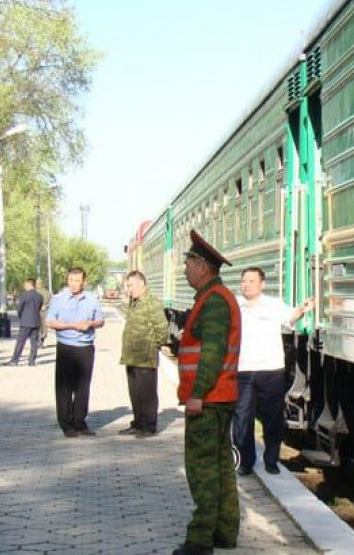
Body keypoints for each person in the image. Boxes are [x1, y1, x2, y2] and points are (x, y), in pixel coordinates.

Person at [173, 230, 241, 555]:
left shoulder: (214, 302)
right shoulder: (215, 298)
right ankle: (225, 532)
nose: (185, 269)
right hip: (221, 397)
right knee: (221, 466)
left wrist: (197, 394)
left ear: (202, 266)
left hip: (210, 398)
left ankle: (200, 540)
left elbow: (212, 352)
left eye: (188, 263)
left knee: (202, 469)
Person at [232, 268, 312, 476]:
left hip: (271, 370)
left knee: (272, 418)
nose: (246, 285)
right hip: (243, 370)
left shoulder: (274, 305)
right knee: (242, 418)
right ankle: (245, 461)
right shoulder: (235, 306)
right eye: (244, 281)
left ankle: (271, 460)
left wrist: (302, 310)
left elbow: (290, 318)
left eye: (251, 281)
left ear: (262, 284)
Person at [46, 267, 104, 438]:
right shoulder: (59, 299)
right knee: (64, 387)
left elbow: (101, 321)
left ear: (83, 282)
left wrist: (91, 323)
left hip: (86, 347)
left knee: (83, 386)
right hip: (66, 346)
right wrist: (71, 326)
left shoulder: (92, 299)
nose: (74, 284)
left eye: (77, 281)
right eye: (71, 280)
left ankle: (80, 421)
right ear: (67, 280)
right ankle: (66, 423)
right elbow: (50, 321)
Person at [119, 271, 169, 437]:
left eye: (131, 285)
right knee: (135, 392)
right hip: (131, 357)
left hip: (146, 357)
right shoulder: (135, 302)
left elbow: (162, 328)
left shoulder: (151, 302)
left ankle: (149, 426)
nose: (129, 289)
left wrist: (154, 346)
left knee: (147, 394)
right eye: (127, 286)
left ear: (142, 284)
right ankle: (138, 423)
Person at [7, 279, 44, 366]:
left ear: (28, 284)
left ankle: (14, 360)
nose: (24, 287)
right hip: (36, 321)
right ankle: (31, 361)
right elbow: (39, 308)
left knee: (20, 342)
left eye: (25, 285)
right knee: (34, 342)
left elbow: (20, 308)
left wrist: (21, 316)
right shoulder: (39, 296)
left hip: (26, 321)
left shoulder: (24, 295)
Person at [35, 278, 51, 347]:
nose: (38, 285)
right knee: (39, 327)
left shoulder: (46, 292)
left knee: (42, 327)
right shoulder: (35, 292)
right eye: (38, 283)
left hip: (42, 311)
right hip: (38, 311)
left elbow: (51, 301)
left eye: (39, 283)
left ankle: (41, 341)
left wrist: (45, 306)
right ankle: (40, 341)